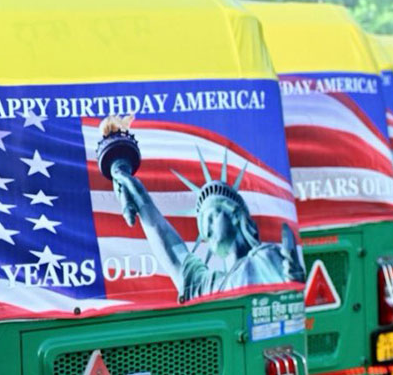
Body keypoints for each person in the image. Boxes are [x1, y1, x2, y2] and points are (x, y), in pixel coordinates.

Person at [98, 115, 304, 302]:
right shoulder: (206, 286)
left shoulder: (265, 259)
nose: (207, 233)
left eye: (211, 219)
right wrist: (124, 176)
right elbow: (168, 244)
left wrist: (290, 284)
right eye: (204, 231)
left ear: (235, 215)